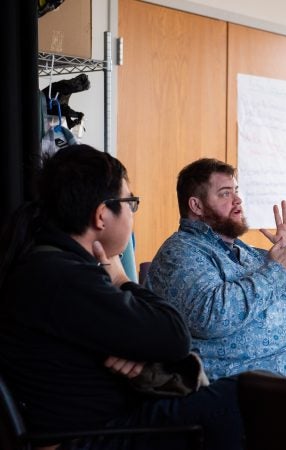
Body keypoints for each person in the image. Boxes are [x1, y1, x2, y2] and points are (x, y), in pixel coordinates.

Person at [0, 145, 242, 450]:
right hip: (83, 440)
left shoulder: (47, 263)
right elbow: (175, 336)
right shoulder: (64, 276)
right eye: (130, 203)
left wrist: (139, 360)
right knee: (239, 396)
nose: (131, 214)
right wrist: (120, 278)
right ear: (102, 215)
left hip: (93, 427)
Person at [146, 158, 286, 380]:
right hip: (246, 387)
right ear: (196, 205)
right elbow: (212, 316)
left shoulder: (249, 252)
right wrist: (278, 270)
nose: (238, 200)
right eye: (225, 193)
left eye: (236, 191)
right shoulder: (179, 252)